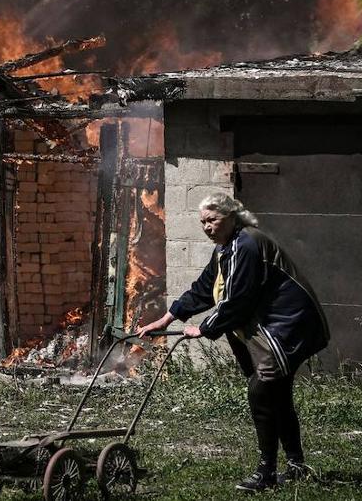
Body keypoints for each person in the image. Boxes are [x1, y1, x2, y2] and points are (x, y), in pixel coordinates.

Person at [137, 192, 329, 493]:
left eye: (212, 220)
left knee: (261, 391)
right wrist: (166, 320)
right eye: (202, 222)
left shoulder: (247, 245)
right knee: (276, 394)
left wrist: (204, 328)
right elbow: (203, 288)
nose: (206, 227)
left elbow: (237, 299)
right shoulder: (227, 248)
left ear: (230, 217)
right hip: (272, 326)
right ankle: (296, 465)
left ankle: (266, 473)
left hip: (288, 325)